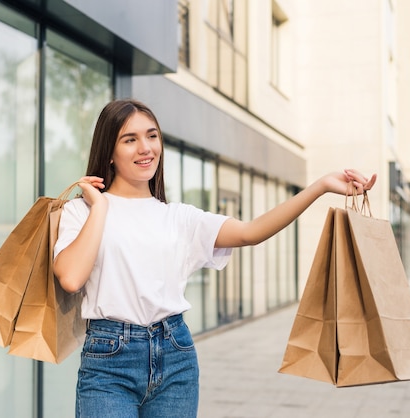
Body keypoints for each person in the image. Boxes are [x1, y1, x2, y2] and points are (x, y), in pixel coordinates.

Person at [53, 99, 376, 418]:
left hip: (175, 356)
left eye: (152, 136)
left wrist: (319, 187)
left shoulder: (179, 217)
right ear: (109, 151)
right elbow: (70, 278)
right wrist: (101, 208)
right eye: (130, 139)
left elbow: (251, 232)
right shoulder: (81, 212)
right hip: (110, 363)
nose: (145, 148)